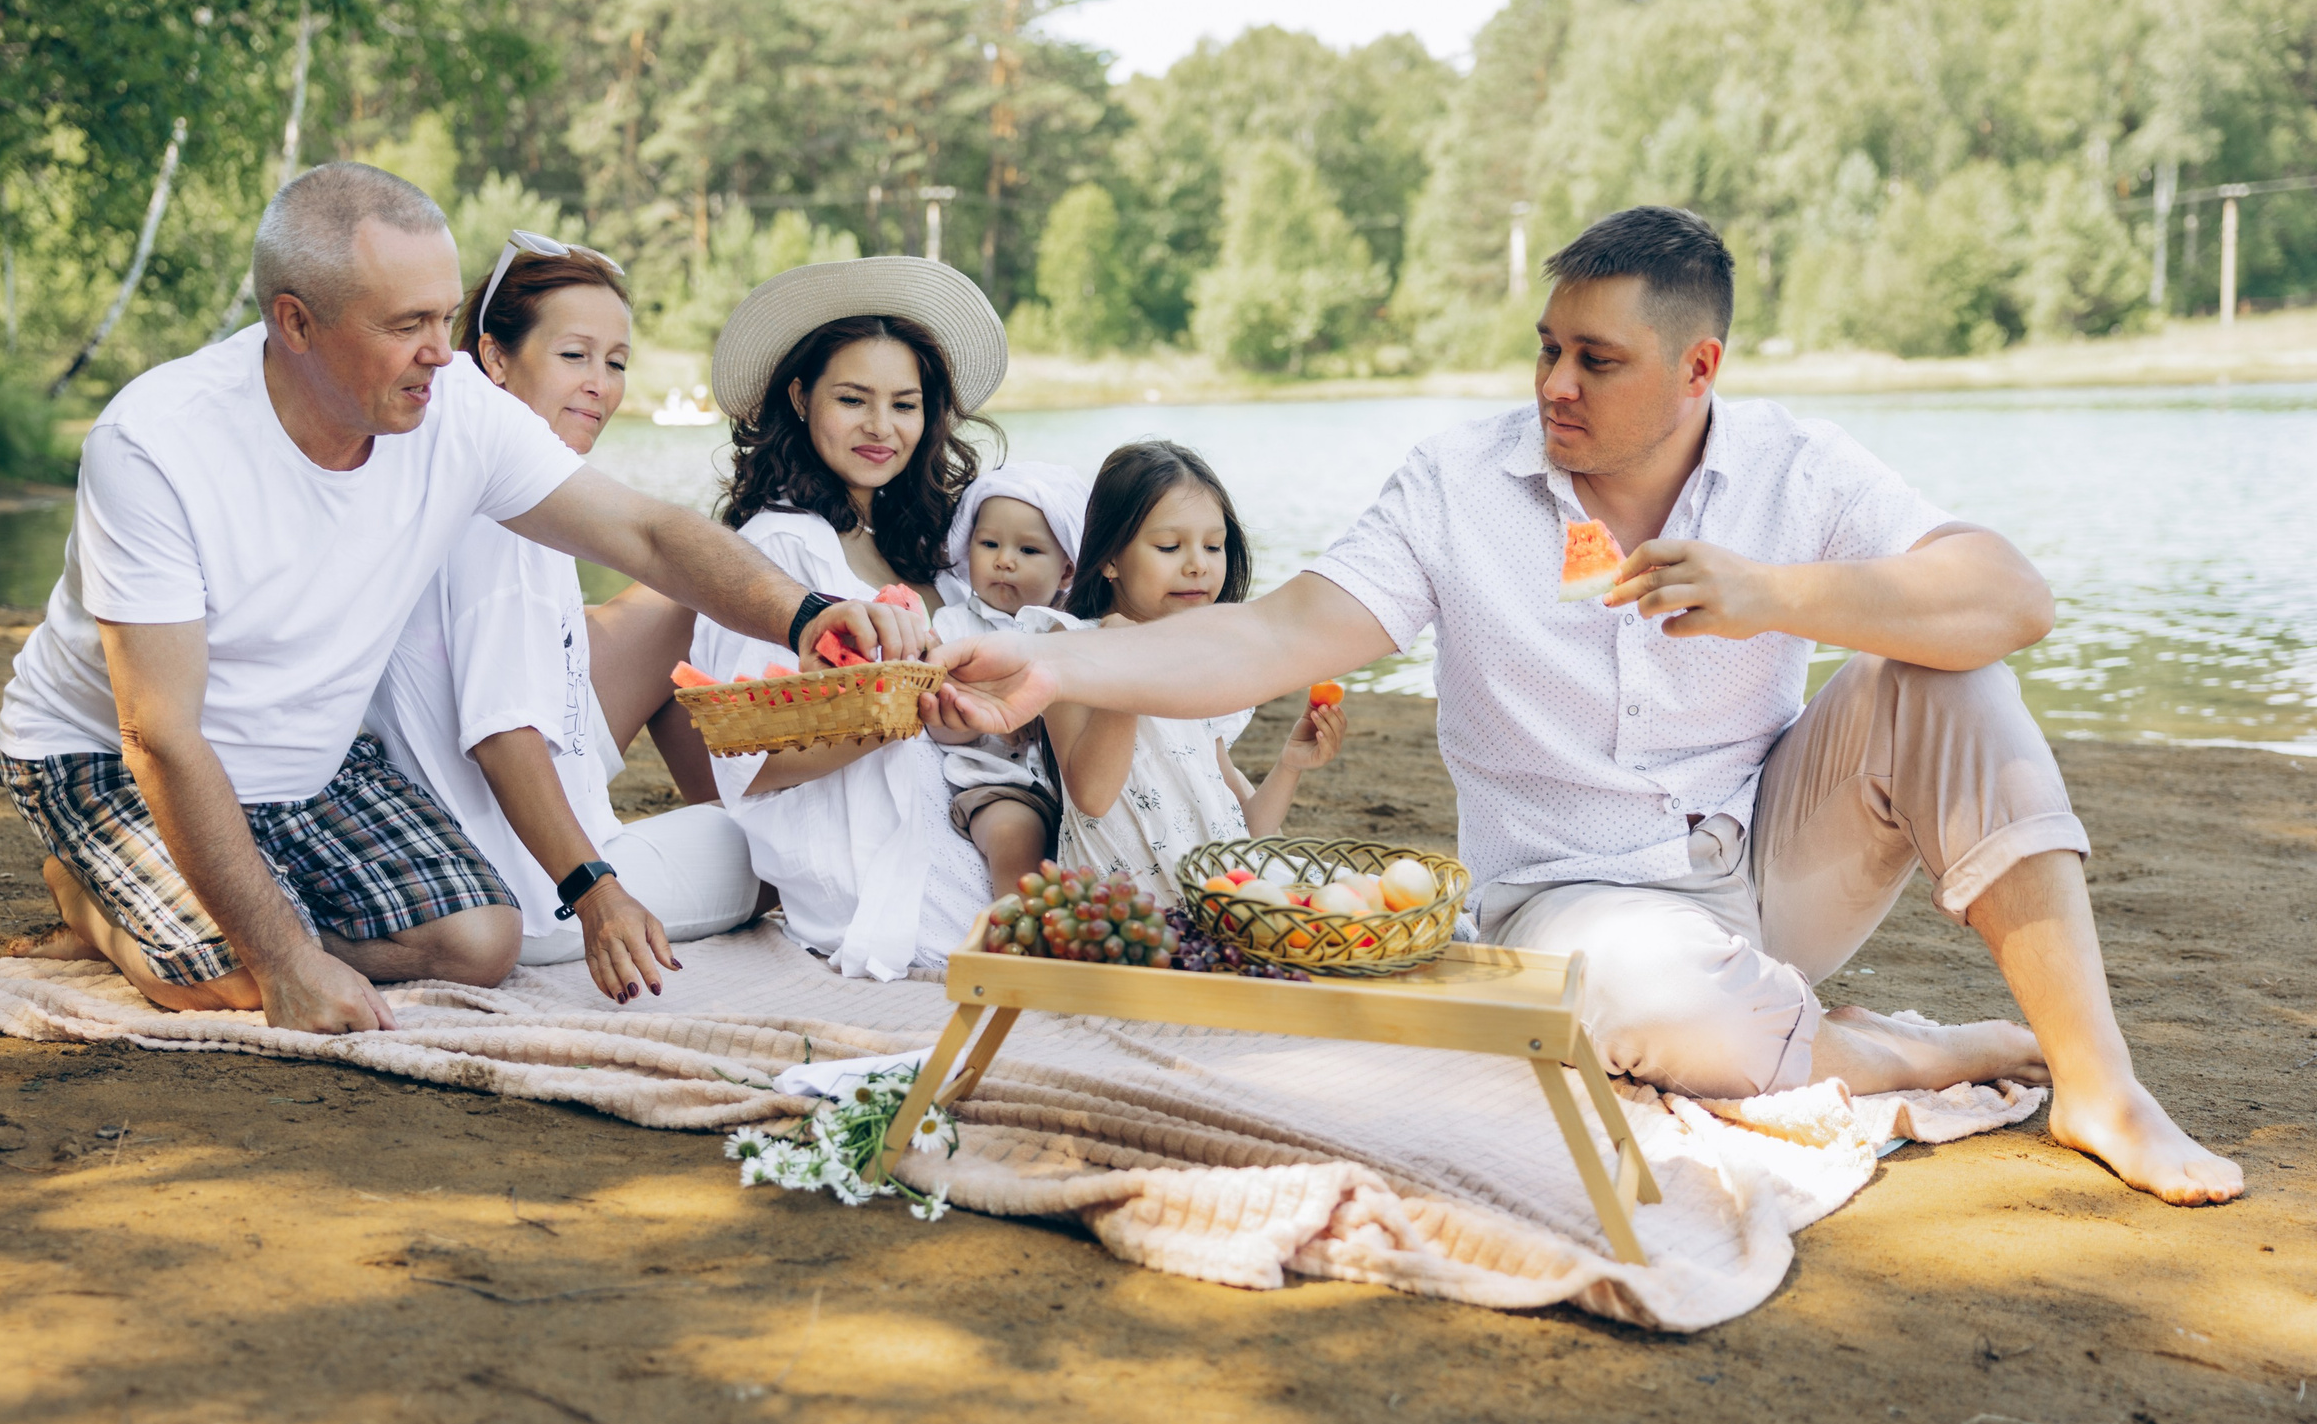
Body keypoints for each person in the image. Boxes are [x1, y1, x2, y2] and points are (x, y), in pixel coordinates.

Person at [927, 205, 2243, 1208]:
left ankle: (2100, 1085)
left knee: (1953, 671)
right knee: (1652, 998)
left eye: (1595, 360)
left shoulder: (1793, 466)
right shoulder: (1454, 485)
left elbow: (2010, 596)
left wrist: (1774, 593)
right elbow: (1275, 633)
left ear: (1697, 367)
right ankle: (1894, 1049)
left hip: (1774, 856)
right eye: (1548, 349)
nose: (1553, 384)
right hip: (1572, 898)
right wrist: (1061, 667)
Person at [0, 164, 923, 1035]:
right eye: (407, 325)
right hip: (113, 758)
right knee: (236, 974)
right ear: (295, 323)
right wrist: (283, 960)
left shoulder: (453, 407)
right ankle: (95, 897)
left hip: (311, 757)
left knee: (482, 940)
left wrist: (805, 613)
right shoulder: (156, 446)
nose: (441, 354)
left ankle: (196, 915)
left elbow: (645, 533)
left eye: (445, 316)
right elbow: (160, 734)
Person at [360, 234, 760, 1007]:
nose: (600, 385)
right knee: (777, 844)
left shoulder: (456, 463)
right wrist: (596, 891)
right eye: (574, 355)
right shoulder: (506, 514)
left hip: (477, 806)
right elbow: (500, 732)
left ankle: (707, 805)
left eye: (616, 362)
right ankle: (706, 820)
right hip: (532, 882)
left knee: (675, 599)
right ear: (495, 358)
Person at [688, 256, 1004, 979]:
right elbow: (746, 759)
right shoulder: (780, 548)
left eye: (905, 404)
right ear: (801, 397)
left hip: (984, 812)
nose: (881, 427)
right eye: (853, 399)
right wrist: (900, 707)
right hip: (872, 860)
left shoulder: (932, 546)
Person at [1041, 441, 1343, 904]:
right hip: (1128, 912)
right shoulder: (1070, 648)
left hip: (1215, 901)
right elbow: (1094, 796)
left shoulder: (1201, 665)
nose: (1198, 565)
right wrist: (1126, 664)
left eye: (1213, 546)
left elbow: (1245, 832)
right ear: (1110, 558)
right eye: (1169, 546)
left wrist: (1290, 764)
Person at [924, 461, 1089, 896]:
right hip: (999, 785)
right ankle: (1014, 924)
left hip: (1076, 786)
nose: (1003, 560)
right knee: (1014, 835)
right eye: (989, 544)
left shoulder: (1073, 630)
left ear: (1067, 570)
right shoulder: (954, 627)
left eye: (1028, 550)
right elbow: (938, 724)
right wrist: (971, 717)